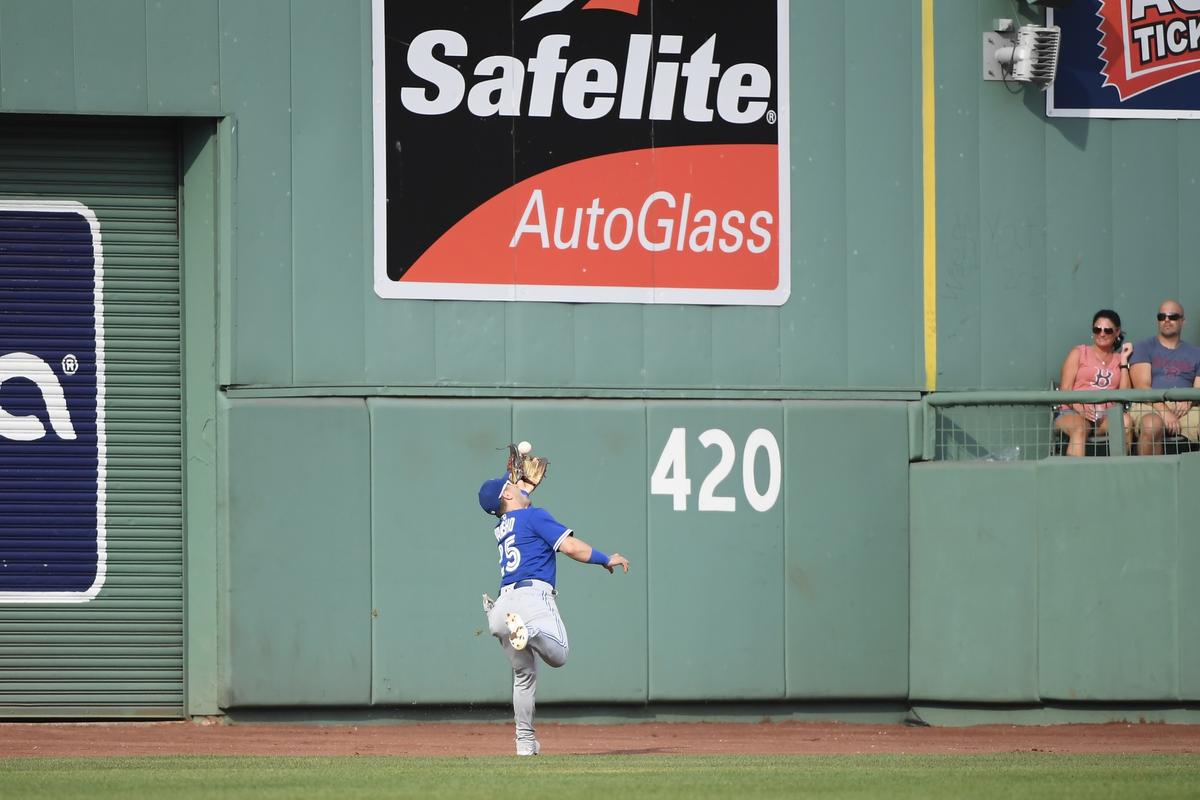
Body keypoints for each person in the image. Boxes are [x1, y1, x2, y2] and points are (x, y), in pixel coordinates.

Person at [477, 473, 630, 756]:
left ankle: (524, 744)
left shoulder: (501, 526)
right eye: (511, 485)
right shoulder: (534, 516)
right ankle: (531, 632)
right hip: (530, 599)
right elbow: (571, 547)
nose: (516, 485)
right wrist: (605, 558)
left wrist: (518, 489)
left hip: (501, 608)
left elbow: (510, 503)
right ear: (508, 495)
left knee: (523, 677)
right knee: (559, 655)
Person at [1054, 309, 1132, 456]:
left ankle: (1120, 472)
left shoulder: (1118, 359)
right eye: (1097, 329)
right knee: (1080, 428)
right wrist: (1080, 408)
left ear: (1117, 332)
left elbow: (1124, 393)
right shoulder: (1079, 352)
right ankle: (1075, 476)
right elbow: (1065, 389)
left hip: (1105, 417)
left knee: (1125, 421)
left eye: (1107, 330)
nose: (1101, 334)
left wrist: (1123, 361)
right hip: (1072, 412)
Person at [1129, 299, 1200, 455]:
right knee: (1151, 425)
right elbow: (1142, 387)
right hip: (1150, 405)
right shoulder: (1144, 347)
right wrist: (1165, 411)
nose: (1167, 320)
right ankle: (1149, 477)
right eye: (1162, 316)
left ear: (1183, 321)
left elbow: (1198, 388)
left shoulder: (1196, 353)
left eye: (1173, 316)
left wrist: (1189, 400)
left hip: (1187, 407)